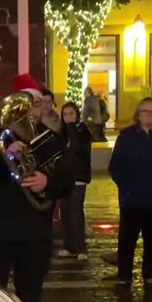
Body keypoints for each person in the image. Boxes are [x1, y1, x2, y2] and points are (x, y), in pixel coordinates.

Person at [0, 74, 74, 302]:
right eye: (27, 104)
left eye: (38, 104)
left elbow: (69, 178)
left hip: (34, 235)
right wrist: (6, 156)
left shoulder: (51, 138)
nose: (33, 109)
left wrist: (47, 182)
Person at [108, 97, 152, 287]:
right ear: (138, 114)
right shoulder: (126, 136)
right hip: (132, 199)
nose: (148, 115)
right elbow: (115, 166)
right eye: (144, 111)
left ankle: (149, 274)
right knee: (127, 239)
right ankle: (124, 275)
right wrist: (126, 187)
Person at [57, 101, 92, 260]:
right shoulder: (62, 132)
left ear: (77, 114)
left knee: (76, 211)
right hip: (64, 177)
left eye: (71, 113)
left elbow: (78, 149)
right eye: (65, 114)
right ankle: (69, 246)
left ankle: (81, 248)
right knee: (65, 211)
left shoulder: (82, 130)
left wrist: (72, 129)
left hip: (78, 176)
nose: (68, 117)